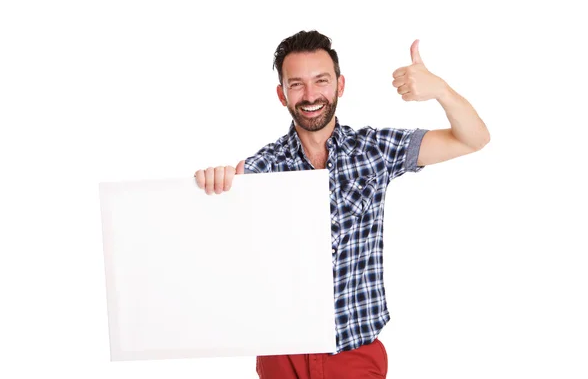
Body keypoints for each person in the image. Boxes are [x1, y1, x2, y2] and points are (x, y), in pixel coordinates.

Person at [194, 30, 490, 378]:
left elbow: (474, 138)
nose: (310, 95)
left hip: (355, 353)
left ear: (340, 85)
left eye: (321, 80)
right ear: (282, 94)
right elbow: (220, 250)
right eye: (297, 84)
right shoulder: (263, 167)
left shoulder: (374, 149)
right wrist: (214, 187)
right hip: (282, 353)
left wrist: (440, 90)